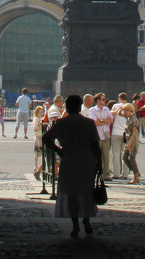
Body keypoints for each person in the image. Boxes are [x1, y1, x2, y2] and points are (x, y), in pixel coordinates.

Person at [42, 94, 102, 237]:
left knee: (71, 193)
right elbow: (95, 146)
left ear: (67, 107)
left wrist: (59, 150)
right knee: (86, 192)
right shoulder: (89, 123)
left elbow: (46, 138)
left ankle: (75, 225)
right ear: (80, 106)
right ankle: (86, 219)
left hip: (69, 159)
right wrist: (99, 164)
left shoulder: (61, 123)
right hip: (86, 160)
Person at [88, 92, 113, 180]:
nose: (104, 101)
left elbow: (111, 120)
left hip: (105, 136)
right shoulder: (92, 110)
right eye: (103, 99)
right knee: (96, 157)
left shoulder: (106, 109)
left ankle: (106, 175)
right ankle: (96, 174)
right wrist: (105, 121)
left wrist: (101, 120)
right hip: (97, 136)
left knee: (106, 157)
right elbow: (94, 122)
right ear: (98, 101)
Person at [110, 92, 129, 179]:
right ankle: (125, 174)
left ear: (119, 98)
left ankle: (116, 173)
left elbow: (112, 117)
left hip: (116, 132)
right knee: (125, 154)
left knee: (116, 153)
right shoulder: (129, 106)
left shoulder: (115, 106)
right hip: (126, 132)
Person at [122, 103, 141, 184]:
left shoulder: (134, 119)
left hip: (133, 141)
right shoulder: (129, 118)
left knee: (132, 158)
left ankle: (136, 176)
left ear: (128, 110)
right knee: (124, 157)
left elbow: (134, 132)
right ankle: (136, 172)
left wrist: (129, 143)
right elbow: (119, 114)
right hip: (128, 139)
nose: (124, 112)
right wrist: (121, 108)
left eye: (125, 111)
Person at [32, 105, 45, 179]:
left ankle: (38, 166)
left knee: (39, 152)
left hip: (40, 137)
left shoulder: (40, 118)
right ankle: (36, 166)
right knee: (37, 152)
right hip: (38, 137)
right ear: (37, 112)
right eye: (40, 112)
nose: (41, 113)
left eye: (42, 112)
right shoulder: (36, 119)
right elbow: (35, 128)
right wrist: (41, 127)